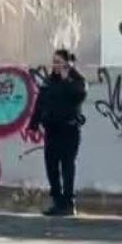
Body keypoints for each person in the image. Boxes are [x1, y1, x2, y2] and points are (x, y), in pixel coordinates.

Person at [27, 49, 87, 216]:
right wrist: (33, 124)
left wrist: (67, 78)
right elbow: (40, 103)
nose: (55, 66)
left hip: (69, 130)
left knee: (67, 166)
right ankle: (58, 200)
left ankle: (68, 203)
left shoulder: (76, 81)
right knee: (51, 167)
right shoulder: (49, 82)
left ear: (67, 64)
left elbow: (79, 95)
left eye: (59, 62)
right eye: (54, 62)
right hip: (52, 131)